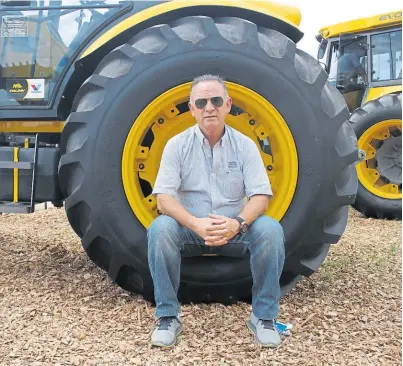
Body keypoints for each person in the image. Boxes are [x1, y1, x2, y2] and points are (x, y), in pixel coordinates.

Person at [147, 74, 285, 348]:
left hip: (234, 228)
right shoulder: (177, 145)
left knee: (271, 231)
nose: (209, 107)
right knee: (160, 229)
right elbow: (163, 198)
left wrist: (237, 223)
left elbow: (260, 197)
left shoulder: (245, 145)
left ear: (227, 104)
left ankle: (264, 317)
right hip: (190, 228)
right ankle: (167, 316)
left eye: (216, 100)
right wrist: (196, 224)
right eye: (201, 102)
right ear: (192, 108)